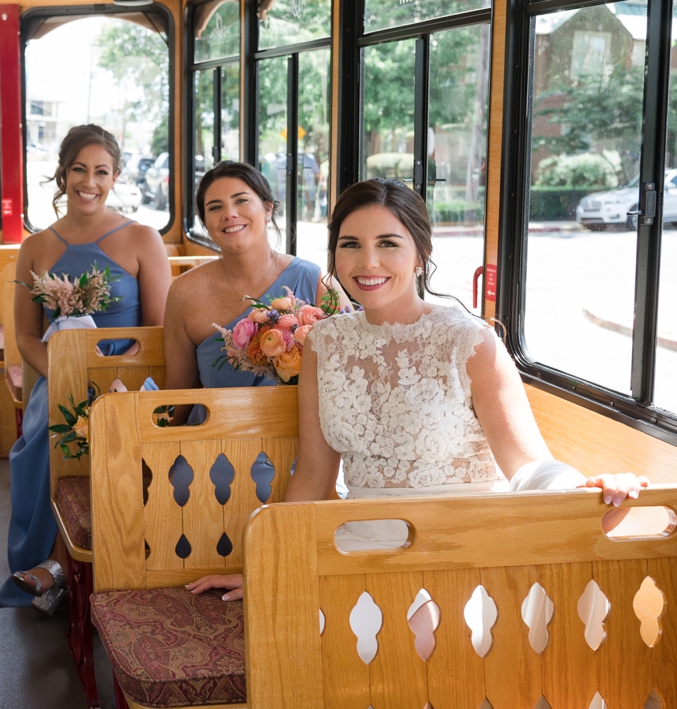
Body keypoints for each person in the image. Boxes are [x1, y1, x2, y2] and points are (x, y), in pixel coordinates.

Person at [188, 178, 647, 602]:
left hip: (457, 552)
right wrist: (272, 566)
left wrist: (586, 490)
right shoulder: (325, 344)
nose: (368, 263)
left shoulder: (469, 341)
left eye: (388, 244)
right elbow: (312, 476)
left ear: (420, 254)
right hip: (357, 545)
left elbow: (526, 465)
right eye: (351, 245)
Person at [0, 125, 172, 612]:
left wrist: (114, 380)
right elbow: (27, 335)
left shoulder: (142, 239)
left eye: (101, 171)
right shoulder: (35, 247)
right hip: (58, 378)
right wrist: (64, 375)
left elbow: (158, 331)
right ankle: (54, 563)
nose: (89, 181)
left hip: (130, 380)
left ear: (115, 177)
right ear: (62, 173)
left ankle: (70, 567)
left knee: (111, 437)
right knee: (43, 437)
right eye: (79, 169)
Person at [163, 162, 327, 422]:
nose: (229, 213)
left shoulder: (315, 280)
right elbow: (179, 392)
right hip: (209, 444)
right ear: (206, 224)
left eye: (240, 201)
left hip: (296, 449)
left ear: (267, 209)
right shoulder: (184, 292)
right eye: (215, 207)